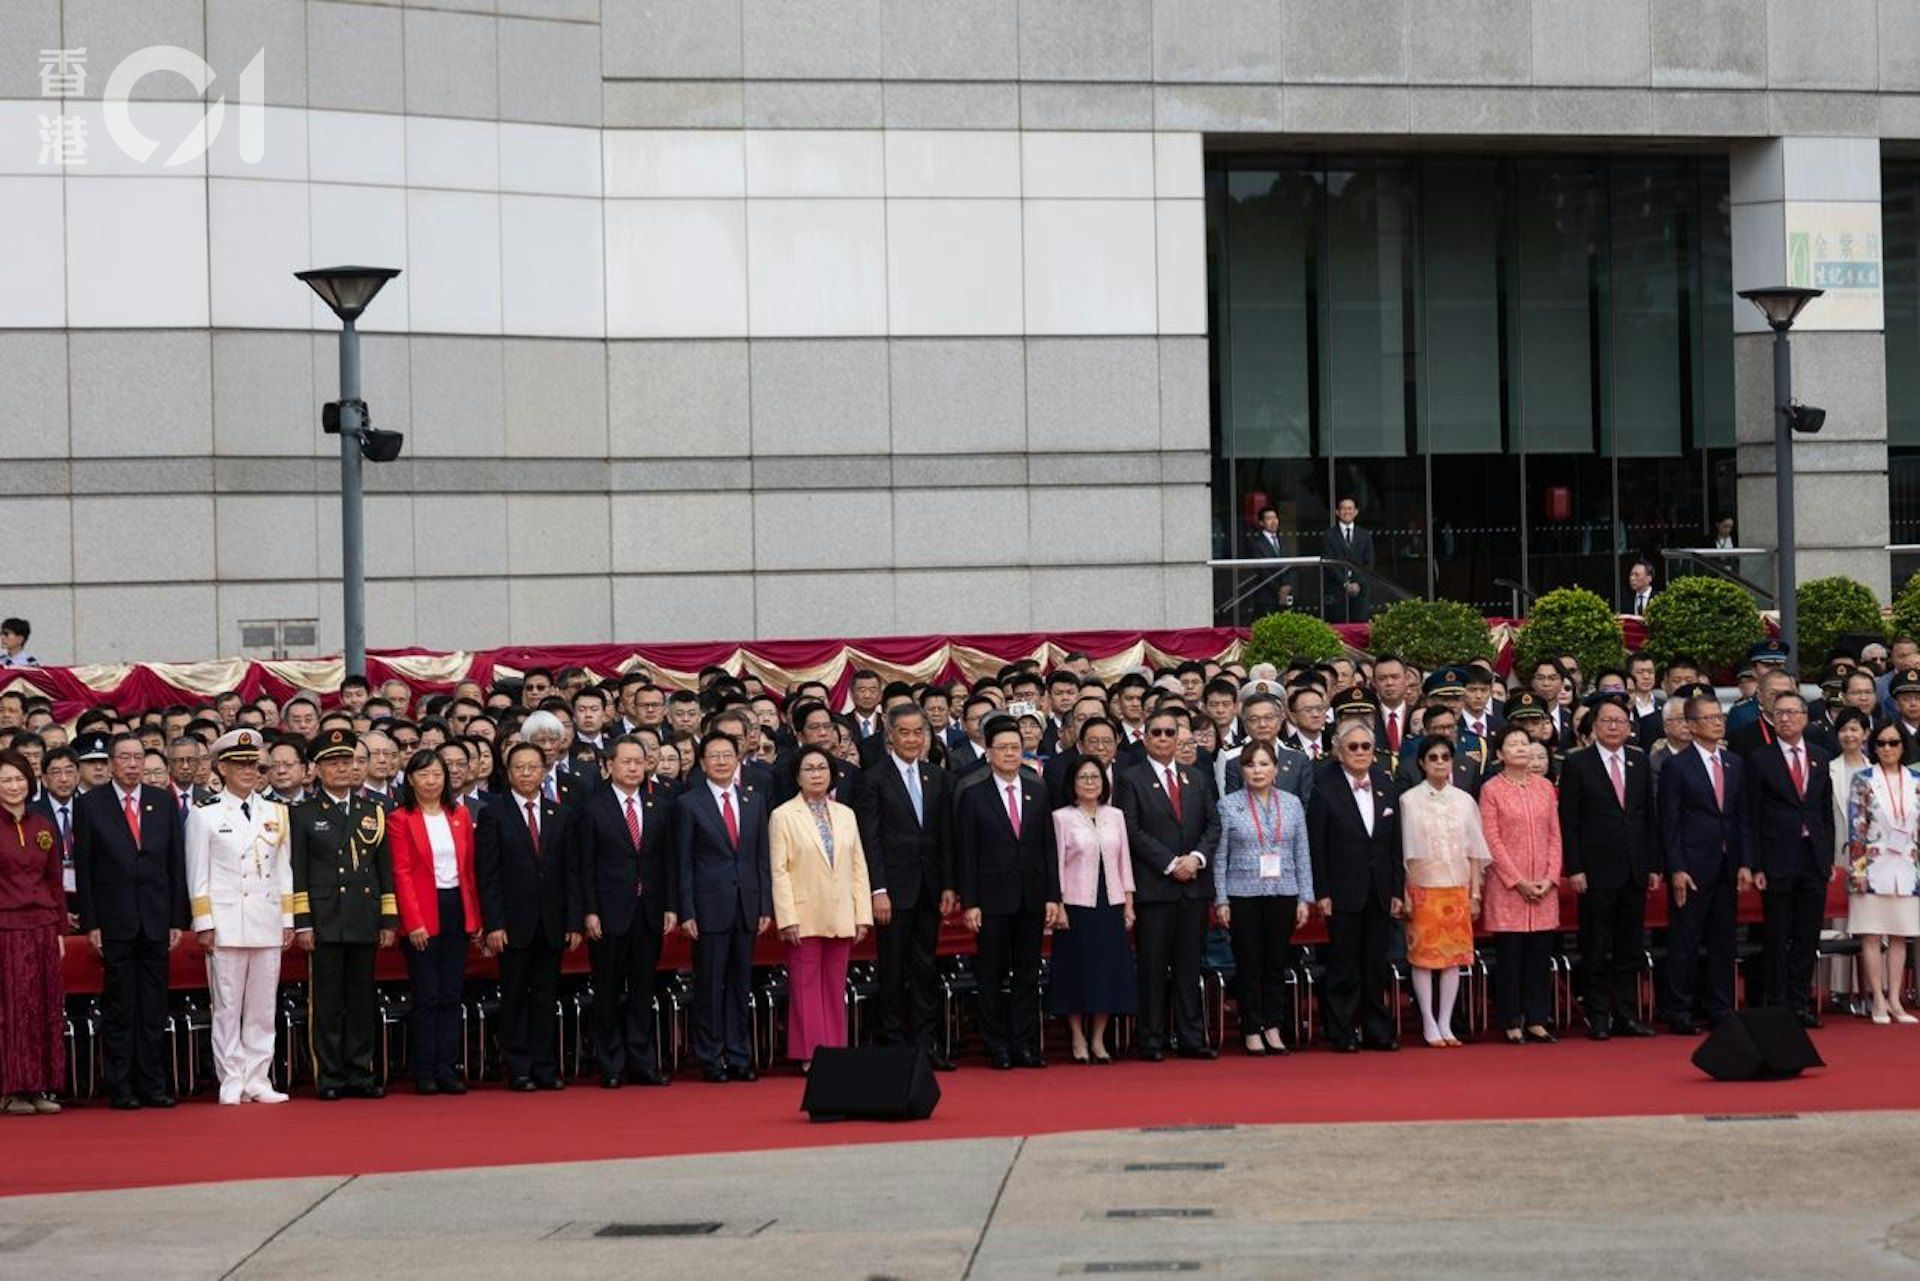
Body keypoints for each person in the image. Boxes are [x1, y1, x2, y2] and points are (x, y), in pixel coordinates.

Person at [72, 732, 186, 1109]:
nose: (134, 765)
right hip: (114, 920)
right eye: (125, 758)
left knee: (154, 1007)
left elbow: (175, 863)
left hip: (156, 919)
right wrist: (92, 922)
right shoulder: (90, 804)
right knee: (120, 1007)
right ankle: (120, 1086)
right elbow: (85, 869)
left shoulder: (161, 800)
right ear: (111, 763)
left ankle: (154, 1084)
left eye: (139, 758)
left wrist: (175, 918)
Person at [185, 729, 293, 1104]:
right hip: (227, 921)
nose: (249, 771)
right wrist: (204, 923)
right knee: (228, 1006)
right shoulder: (206, 814)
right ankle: (231, 1076)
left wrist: (288, 919)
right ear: (222, 768)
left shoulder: (276, 811)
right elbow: (197, 874)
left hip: (265, 917)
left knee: (263, 1006)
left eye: (253, 764)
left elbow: (284, 870)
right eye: (240, 764)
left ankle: (259, 1077)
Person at [290, 727, 398, 1100]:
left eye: (346, 761)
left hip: (363, 918)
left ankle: (360, 1072)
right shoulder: (302, 814)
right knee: (327, 1003)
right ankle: (331, 1076)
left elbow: (384, 872)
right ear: (317, 770)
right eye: (331, 763)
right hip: (324, 921)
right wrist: (302, 922)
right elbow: (298, 872)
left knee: (362, 1000)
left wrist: (388, 919)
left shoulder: (374, 812)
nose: (340, 769)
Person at [954, 717, 1064, 1070]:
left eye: (1016, 748)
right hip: (991, 900)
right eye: (1002, 748)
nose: (1010, 754)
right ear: (989, 753)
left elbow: (1048, 847)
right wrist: (969, 902)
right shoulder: (973, 794)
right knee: (991, 974)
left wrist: (1052, 896)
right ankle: (996, 1045)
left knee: (1028, 975)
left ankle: (1025, 1044)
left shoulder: (1037, 789)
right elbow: (966, 853)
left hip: (1031, 897)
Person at [853, 703, 956, 1069]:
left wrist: (948, 884)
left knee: (926, 968)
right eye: (905, 733)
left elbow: (944, 836)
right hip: (892, 893)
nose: (912, 739)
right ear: (890, 736)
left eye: (918, 732)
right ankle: (895, 1046)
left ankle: (925, 1046)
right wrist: (877, 889)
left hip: (929, 888)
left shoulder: (937, 777)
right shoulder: (873, 779)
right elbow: (870, 840)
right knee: (893, 969)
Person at [475, 741, 580, 1091]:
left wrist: (573, 921)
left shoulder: (560, 813)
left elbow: (571, 873)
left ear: (544, 771)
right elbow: (486, 874)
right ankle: (518, 1067)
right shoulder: (494, 814)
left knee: (546, 997)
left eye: (532, 767)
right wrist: (495, 923)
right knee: (516, 995)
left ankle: (545, 1066)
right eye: (518, 767)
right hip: (512, 923)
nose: (525, 773)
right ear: (508, 772)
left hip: (552, 922)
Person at [1118, 707, 1220, 1061]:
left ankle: (1192, 1038)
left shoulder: (1197, 777)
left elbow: (1213, 826)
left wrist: (1196, 859)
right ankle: (1152, 1038)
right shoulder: (1130, 778)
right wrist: (1169, 862)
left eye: (1169, 733)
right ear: (1145, 738)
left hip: (1193, 887)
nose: (1163, 738)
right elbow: (1131, 829)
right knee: (1152, 966)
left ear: (1179, 738)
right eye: (1156, 733)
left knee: (1190, 966)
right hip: (1155, 889)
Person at [1557, 695, 1662, 1039]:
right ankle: (1599, 1015)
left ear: (1630, 727)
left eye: (1621, 721)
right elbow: (1568, 821)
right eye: (1607, 721)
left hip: (1634, 868)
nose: (1614, 726)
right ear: (1594, 726)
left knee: (1630, 946)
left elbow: (1649, 816)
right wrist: (1574, 867)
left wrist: (1652, 864)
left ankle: (1626, 1014)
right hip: (1595, 870)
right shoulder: (1578, 763)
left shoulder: (1639, 760)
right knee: (1596, 946)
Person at [579, 737, 677, 1087]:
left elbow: (666, 860)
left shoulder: (658, 804)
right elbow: (585, 865)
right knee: (607, 990)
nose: (634, 767)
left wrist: (669, 905)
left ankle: (641, 1061)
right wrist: (589, 911)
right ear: (609, 765)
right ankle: (610, 1063)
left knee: (642, 988)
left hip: (648, 910)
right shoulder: (592, 807)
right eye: (627, 762)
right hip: (607, 912)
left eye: (640, 761)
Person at [675, 732, 772, 1083]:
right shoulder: (689, 803)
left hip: (746, 905)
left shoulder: (754, 800)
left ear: (738, 759)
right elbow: (683, 862)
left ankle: (739, 1055)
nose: (720, 761)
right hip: (708, 908)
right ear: (701, 763)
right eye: (713, 756)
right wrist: (687, 911)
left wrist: (765, 905)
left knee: (740, 984)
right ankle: (711, 1057)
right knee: (710, 985)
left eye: (726, 755)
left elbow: (761, 856)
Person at [770, 746, 872, 1071]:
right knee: (805, 986)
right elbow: (779, 870)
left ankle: (835, 1051)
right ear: (797, 777)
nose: (817, 774)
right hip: (803, 913)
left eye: (822, 769)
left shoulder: (846, 814)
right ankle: (812, 1054)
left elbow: (858, 866)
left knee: (834, 984)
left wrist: (862, 915)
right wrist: (787, 918)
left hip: (841, 912)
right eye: (809, 769)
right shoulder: (783, 815)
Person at [1308, 719, 1403, 1052]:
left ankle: (1377, 1029)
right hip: (1341, 891)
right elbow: (1316, 847)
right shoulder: (1323, 788)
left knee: (1375, 965)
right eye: (1354, 747)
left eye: (1367, 747)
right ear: (1337, 751)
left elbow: (1395, 846)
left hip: (1379, 890)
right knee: (1343, 965)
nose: (1361, 753)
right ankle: (1342, 1030)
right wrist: (1321, 892)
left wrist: (1396, 891)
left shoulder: (1386, 785)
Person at [1211, 741, 1311, 1055]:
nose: (1258, 770)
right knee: (1249, 963)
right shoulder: (1228, 805)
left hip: (1283, 890)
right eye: (1251, 765)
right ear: (1242, 769)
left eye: (1264, 764)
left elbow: (1302, 851)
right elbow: (1219, 857)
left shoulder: (1292, 803)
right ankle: (1251, 1027)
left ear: (1276, 769)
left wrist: (1304, 897)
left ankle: (1273, 1026)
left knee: (1276, 963)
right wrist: (1221, 899)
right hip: (1243, 893)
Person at [389, 748, 479, 1095]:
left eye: (437, 774)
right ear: (411, 779)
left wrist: (476, 917)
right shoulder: (401, 818)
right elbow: (402, 872)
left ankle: (448, 1068)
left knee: (451, 994)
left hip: (456, 905)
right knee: (426, 994)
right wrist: (413, 922)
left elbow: (468, 869)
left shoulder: (459, 814)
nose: (431, 780)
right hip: (422, 910)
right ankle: (425, 1070)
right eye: (424, 774)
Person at [1657, 694, 1748, 1034]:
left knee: (1723, 941)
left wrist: (1744, 862)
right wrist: (1676, 868)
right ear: (1691, 726)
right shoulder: (1676, 765)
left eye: (1719, 716)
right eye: (1708, 718)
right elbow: (1669, 821)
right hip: (1692, 866)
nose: (1717, 722)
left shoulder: (1734, 763)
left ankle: (1720, 1007)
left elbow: (1741, 816)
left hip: (1727, 864)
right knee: (1685, 939)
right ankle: (1678, 1009)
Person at [1745, 690, 1834, 1026]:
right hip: (1776, 857)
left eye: (1792, 712)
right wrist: (1756, 864)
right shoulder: (1760, 758)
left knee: (1807, 934)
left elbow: (1824, 811)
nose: (1785, 718)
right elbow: (1751, 814)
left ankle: (1800, 1001)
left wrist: (1826, 857)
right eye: (1778, 713)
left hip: (1813, 856)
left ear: (1804, 717)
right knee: (1777, 934)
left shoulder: (1820, 756)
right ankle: (1778, 1003)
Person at [1398, 735, 1489, 1048]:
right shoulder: (1408, 800)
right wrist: (1405, 892)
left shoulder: (1464, 800)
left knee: (1453, 959)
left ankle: (1446, 1021)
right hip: (1422, 887)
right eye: (1433, 757)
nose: (1439, 763)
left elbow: (1475, 851)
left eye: (1444, 757)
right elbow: (1401, 853)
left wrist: (1475, 893)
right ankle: (1428, 1021)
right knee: (1424, 958)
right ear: (1422, 763)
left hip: (1457, 887)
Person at [1049, 755, 1137, 1064]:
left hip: (1110, 901)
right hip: (1075, 904)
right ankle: (1076, 1037)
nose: (1090, 783)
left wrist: (1128, 902)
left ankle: (1099, 1039)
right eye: (1084, 777)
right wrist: (1058, 905)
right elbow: (1056, 864)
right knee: (1076, 971)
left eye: (1095, 777)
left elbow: (1124, 860)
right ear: (1072, 784)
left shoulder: (1116, 816)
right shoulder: (1061, 818)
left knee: (1107, 971)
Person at [1478, 724, 1563, 1044]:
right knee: (1511, 958)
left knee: (1539, 958)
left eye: (1525, 743)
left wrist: (1550, 877)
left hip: (1544, 887)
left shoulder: (1543, 786)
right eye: (1513, 744)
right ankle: (1512, 1020)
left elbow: (1555, 835)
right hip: (1508, 888)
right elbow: (1492, 839)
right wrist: (1517, 880)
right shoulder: (1492, 789)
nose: (1522, 749)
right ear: (1499, 754)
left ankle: (1538, 1019)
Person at [0, 750, 63, 1114]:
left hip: (42, 925)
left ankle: (40, 1086)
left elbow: (53, 879)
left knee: (43, 1006)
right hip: (6, 926)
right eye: (6, 780)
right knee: (12, 1008)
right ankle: (11, 1089)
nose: (13, 786)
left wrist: (56, 927)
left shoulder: (42, 825)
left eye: (19, 779)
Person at [1844, 724, 1920, 1024]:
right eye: (1881, 743)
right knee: (1872, 934)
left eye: (1893, 743)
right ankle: (1876, 998)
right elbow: (1857, 828)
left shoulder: (1916, 780)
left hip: (1906, 866)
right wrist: (1858, 871)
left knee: (1900, 935)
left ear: (1903, 746)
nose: (1887, 748)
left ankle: (1895, 999)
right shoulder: (1863, 780)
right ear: (1873, 746)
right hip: (1872, 866)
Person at [1325, 496, 1374, 623]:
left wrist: (1357, 583)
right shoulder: (1328, 536)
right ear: (1337, 512)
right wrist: (1345, 583)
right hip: (1337, 592)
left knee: (1360, 629)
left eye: (1350, 508)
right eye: (1343, 509)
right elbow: (1329, 564)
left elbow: (1369, 563)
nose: (1347, 512)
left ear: (1356, 512)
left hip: (1360, 592)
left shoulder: (1365, 535)